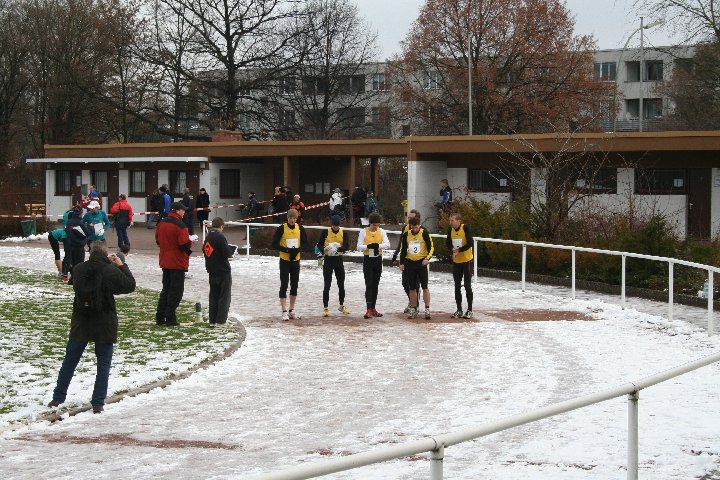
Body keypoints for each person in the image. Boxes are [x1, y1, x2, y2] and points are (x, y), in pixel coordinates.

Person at [47, 241, 136, 414]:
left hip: (81, 320)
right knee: (103, 363)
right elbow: (129, 285)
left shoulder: (79, 269)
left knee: (70, 360)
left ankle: (58, 397)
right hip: (104, 321)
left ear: (89, 251)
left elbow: (74, 284)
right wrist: (121, 265)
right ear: (105, 253)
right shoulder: (109, 270)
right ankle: (98, 402)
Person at [155, 201, 192, 326]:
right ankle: (170, 317)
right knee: (176, 291)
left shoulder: (162, 223)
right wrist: (190, 242)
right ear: (177, 211)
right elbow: (184, 245)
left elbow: (158, 240)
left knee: (166, 289)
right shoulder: (181, 226)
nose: (184, 212)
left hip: (165, 260)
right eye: (183, 210)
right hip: (177, 262)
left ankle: (160, 316)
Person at [271, 208, 308, 321]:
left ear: (297, 219)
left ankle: (291, 310)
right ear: (287, 218)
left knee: (295, 284)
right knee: (284, 284)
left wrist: (298, 249)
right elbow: (274, 243)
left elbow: (306, 243)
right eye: (290, 218)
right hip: (285, 260)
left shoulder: (300, 228)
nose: (292, 220)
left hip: (296, 260)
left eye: (294, 218)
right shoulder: (282, 228)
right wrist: (286, 250)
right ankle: (284, 311)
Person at [399, 216, 435, 319]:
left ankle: (427, 308)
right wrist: (401, 263)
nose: (415, 230)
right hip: (410, 263)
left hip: (421, 263)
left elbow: (431, 247)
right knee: (412, 288)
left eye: (416, 227)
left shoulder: (424, 233)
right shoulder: (407, 234)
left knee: (425, 287)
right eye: (413, 228)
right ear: (410, 226)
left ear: (419, 225)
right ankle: (414, 308)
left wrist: (427, 259)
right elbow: (403, 250)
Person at [356, 212, 390, 319]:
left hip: (377, 260)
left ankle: (373, 308)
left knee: (375, 285)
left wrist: (377, 245)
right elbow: (358, 246)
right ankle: (368, 309)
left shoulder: (382, 231)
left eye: (378, 225)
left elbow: (388, 244)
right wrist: (368, 246)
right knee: (369, 284)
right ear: (370, 223)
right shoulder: (363, 232)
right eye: (374, 225)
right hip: (368, 260)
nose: (376, 227)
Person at [316, 214, 350, 317]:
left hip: (338, 260)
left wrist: (338, 249)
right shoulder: (326, 232)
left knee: (341, 284)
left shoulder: (343, 232)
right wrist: (326, 249)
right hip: (328, 260)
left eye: (337, 225)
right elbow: (319, 245)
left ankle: (341, 305)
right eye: (334, 225)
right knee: (327, 284)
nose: (336, 227)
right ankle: (325, 308)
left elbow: (347, 246)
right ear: (332, 225)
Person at [203, 217, 234, 325]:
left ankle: (212, 319)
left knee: (213, 296)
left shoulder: (207, 237)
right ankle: (221, 320)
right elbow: (227, 253)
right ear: (221, 226)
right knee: (224, 297)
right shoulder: (220, 237)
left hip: (212, 270)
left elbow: (206, 252)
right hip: (223, 271)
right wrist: (231, 252)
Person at [392, 209, 422, 313]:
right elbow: (401, 243)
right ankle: (412, 302)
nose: (409, 220)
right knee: (405, 282)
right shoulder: (405, 228)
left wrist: (426, 258)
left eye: (411, 218)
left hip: (418, 260)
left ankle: (415, 306)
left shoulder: (422, 230)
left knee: (416, 283)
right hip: (406, 259)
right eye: (408, 218)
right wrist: (396, 254)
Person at [446, 212, 474, 319]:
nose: (451, 223)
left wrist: (459, 250)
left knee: (467, 285)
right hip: (456, 262)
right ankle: (459, 309)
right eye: (450, 220)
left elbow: (470, 242)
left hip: (467, 261)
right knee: (457, 285)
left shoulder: (465, 228)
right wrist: (451, 249)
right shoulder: (450, 230)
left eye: (452, 220)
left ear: (459, 221)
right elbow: (448, 242)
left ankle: (470, 310)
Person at [64, 206, 92, 281]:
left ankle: (72, 278)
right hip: (79, 246)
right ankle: (77, 279)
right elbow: (87, 233)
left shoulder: (68, 222)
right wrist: (90, 228)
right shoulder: (80, 223)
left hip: (70, 245)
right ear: (80, 214)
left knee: (72, 263)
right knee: (79, 264)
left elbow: (66, 232)